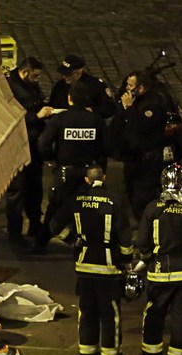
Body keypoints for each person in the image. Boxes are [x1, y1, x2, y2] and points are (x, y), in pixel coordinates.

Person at [51, 164, 133, 355]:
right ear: (104, 177)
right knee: (109, 313)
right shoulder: (115, 200)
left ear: (87, 180)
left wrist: (72, 240)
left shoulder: (76, 199)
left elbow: (54, 225)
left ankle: (87, 353)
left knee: (87, 310)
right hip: (108, 267)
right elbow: (124, 233)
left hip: (84, 265)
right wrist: (126, 260)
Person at [136, 163, 182, 355]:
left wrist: (146, 258)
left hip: (160, 272)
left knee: (154, 313)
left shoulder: (153, 208)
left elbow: (142, 243)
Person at [34, 82, 109, 253]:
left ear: (69, 99)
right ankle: (86, 244)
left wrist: (51, 159)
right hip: (88, 173)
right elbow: (107, 147)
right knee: (88, 210)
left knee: (55, 208)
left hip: (65, 172)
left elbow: (43, 144)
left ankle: (41, 244)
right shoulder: (96, 120)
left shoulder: (60, 119)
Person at [5, 56, 55, 243]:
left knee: (34, 186)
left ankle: (35, 222)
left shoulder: (30, 86)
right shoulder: (10, 88)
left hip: (33, 145)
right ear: (24, 72)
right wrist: (37, 116)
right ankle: (15, 231)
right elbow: (11, 120)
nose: (37, 80)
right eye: (35, 76)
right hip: (18, 146)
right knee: (17, 189)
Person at [109, 70, 171, 218]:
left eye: (130, 85)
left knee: (143, 195)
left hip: (147, 160)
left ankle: (147, 224)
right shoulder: (130, 101)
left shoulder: (153, 104)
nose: (127, 88)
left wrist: (129, 108)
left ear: (141, 88)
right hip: (131, 157)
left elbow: (142, 126)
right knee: (130, 190)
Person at [49, 54, 116, 118]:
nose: (64, 77)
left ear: (79, 72)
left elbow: (110, 108)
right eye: (63, 73)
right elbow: (52, 106)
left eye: (68, 74)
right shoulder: (59, 86)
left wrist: (91, 110)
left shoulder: (96, 85)